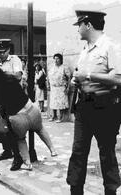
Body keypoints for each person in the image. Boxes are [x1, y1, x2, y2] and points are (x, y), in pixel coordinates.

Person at [66, 10, 121, 195]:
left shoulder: (110, 46)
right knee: (78, 152)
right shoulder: (85, 50)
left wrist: (87, 75)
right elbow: (81, 74)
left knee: (106, 153)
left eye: (79, 25)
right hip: (84, 106)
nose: (78, 29)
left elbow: (118, 78)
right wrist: (77, 80)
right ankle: (75, 190)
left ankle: (111, 191)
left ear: (87, 25)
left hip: (105, 107)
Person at [0, 65, 57, 170]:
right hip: (31, 109)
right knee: (40, 129)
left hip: (17, 118)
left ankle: (28, 164)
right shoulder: (11, 78)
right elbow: (20, 80)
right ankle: (52, 150)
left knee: (21, 139)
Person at [0, 39, 23, 165]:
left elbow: (18, 76)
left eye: (3, 52)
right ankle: (7, 150)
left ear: (8, 50)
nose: (1, 55)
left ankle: (18, 156)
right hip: (1, 100)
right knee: (1, 128)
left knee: (15, 128)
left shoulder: (14, 59)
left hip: (14, 99)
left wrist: (1, 74)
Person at [48, 53, 71, 123]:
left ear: (61, 60)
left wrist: (68, 88)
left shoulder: (64, 67)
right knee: (53, 102)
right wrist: (48, 85)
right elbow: (48, 77)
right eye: (55, 59)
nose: (56, 60)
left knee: (60, 103)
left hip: (61, 87)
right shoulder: (52, 67)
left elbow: (69, 78)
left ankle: (60, 117)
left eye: (57, 59)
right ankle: (53, 116)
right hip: (53, 87)